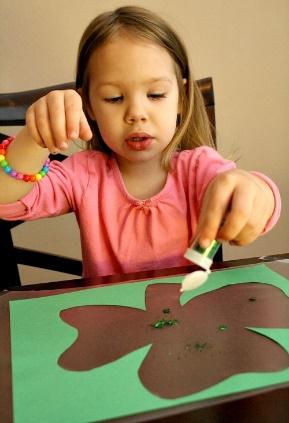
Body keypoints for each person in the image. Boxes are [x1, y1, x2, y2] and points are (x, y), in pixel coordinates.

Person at [0, 6, 280, 278]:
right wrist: (34, 137)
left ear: (181, 98)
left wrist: (256, 193)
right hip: (108, 317)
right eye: (114, 98)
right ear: (90, 107)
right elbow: (8, 201)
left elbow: (257, 199)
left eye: (156, 94)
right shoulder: (83, 175)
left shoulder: (199, 169)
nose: (136, 114)